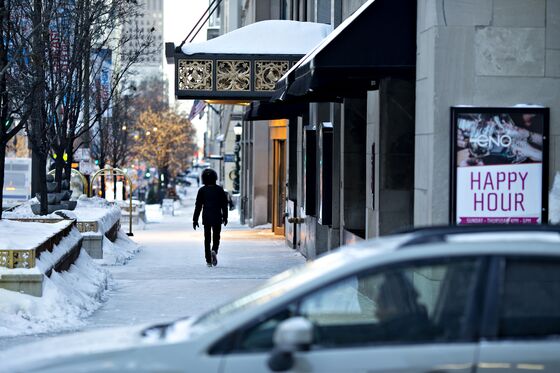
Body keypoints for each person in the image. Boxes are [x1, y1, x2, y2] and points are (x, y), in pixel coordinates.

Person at [193, 168, 228, 267]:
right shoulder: (219, 190)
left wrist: (195, 219)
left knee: (207, 238)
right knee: (216, 236)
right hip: (217, 216)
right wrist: (225, 217)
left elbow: (198, 206)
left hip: (206, 216)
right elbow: (224, 205)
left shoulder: (202, 190)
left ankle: (208, 260)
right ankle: (214, 250)